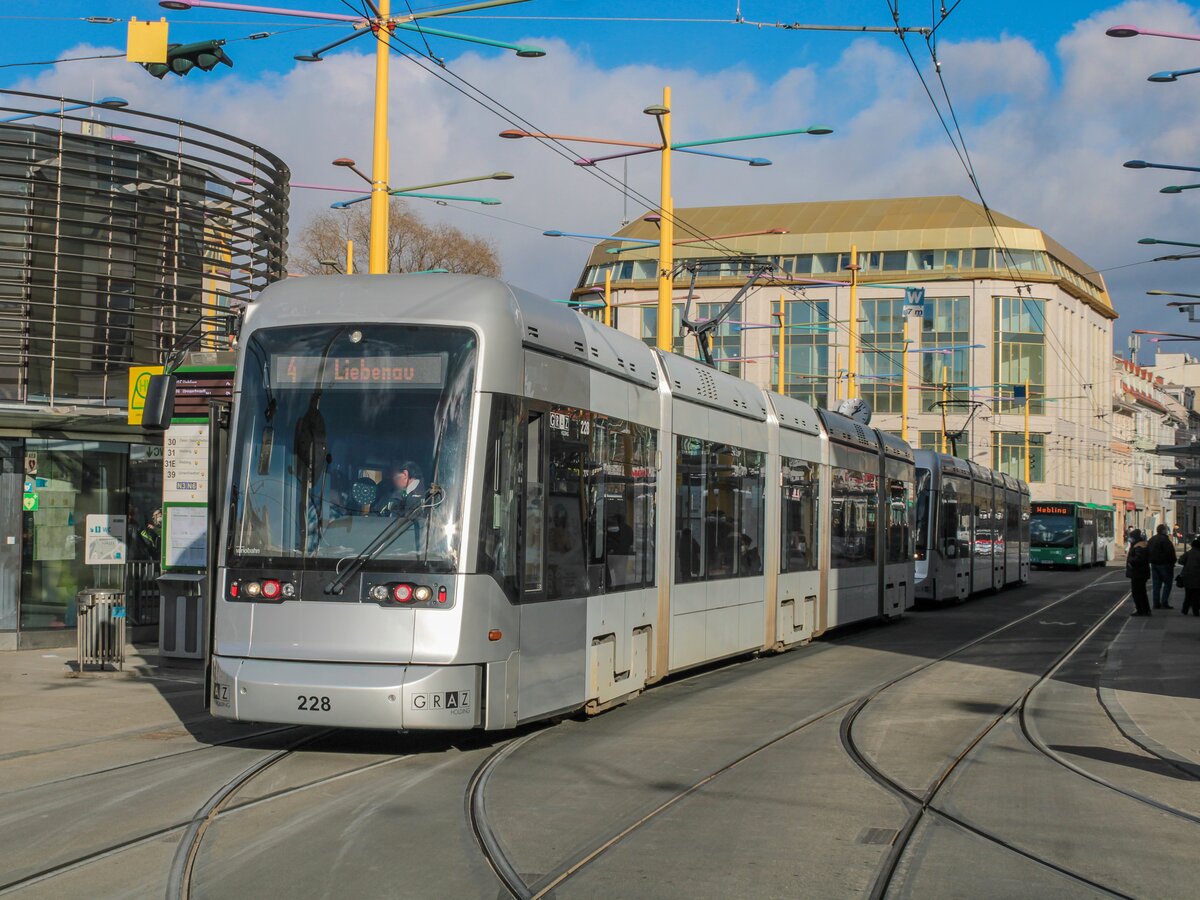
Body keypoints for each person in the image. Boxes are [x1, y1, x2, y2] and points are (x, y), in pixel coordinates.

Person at [1147, 523, 1177, 610]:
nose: (1167, 531)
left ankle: (1156, 603)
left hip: (1154, 564)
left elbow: (1147, 551)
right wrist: (1173, 562)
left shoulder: (1152, 539)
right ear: (1163, 531)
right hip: (1165, 564)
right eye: (1166, 530)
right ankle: (1164, 602)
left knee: (1156, 584)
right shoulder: (1165, 540)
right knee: (1167, 584)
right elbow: (1170, 552)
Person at [1126, 529, 1152, 617]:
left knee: (1137, 592)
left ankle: (1141, 610)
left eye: (1131, 537)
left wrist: (1130, 561)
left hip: (1138, 573)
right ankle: (1145, 610)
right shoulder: (1140, 544)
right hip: (1141, 573)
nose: (1130, 539)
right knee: (1141, 592)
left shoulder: (1139, 546)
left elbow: (1139, 559)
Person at [1179, 537, 1200, 617]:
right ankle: (1196, 611)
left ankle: (1185, 610)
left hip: (1187, 576)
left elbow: (1180, 561)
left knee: (1188, 595)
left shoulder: (1189, 553)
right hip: (1197, 577)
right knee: (1196, 595)